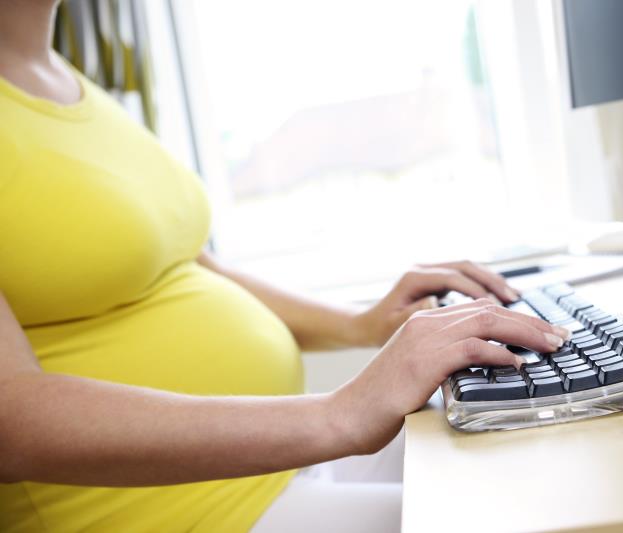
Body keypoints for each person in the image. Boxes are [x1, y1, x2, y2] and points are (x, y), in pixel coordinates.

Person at [0, 1, 570, 531]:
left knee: (555, 451)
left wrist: (361, 324)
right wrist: (338, 415)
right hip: (174, 510)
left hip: (281, 468)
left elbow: (188, 265)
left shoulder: (69, 80)